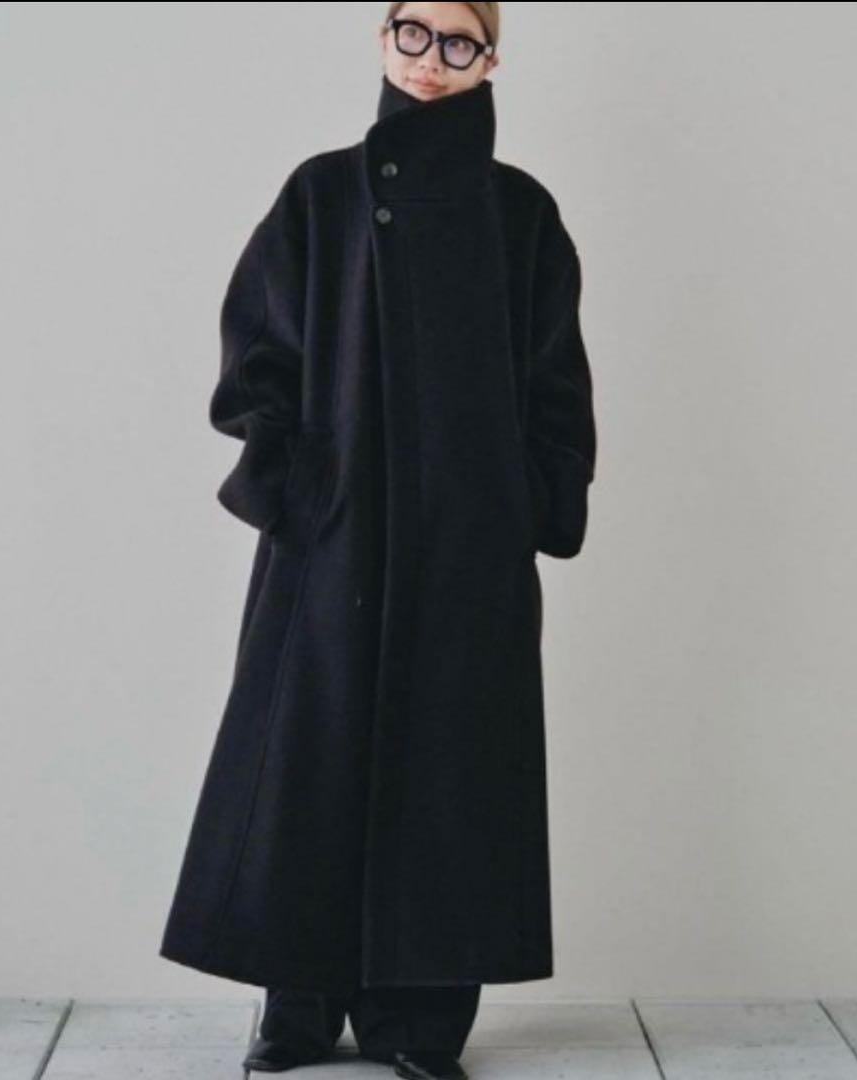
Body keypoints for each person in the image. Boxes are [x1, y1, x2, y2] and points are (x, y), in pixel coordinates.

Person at [160, 4, 596, 1079]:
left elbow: (555, 382)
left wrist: (526, 506)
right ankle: (296, 1008)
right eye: (414, 32)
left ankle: (421, 1021)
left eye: (459, 42)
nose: (432, 60)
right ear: (382, 36)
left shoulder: (521, 214)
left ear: (491, 59)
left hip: (468, 546)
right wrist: (296, 488)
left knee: (451, 775)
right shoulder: (321, 195)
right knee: (308, 761)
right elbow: (256, 353)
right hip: (335, 536)